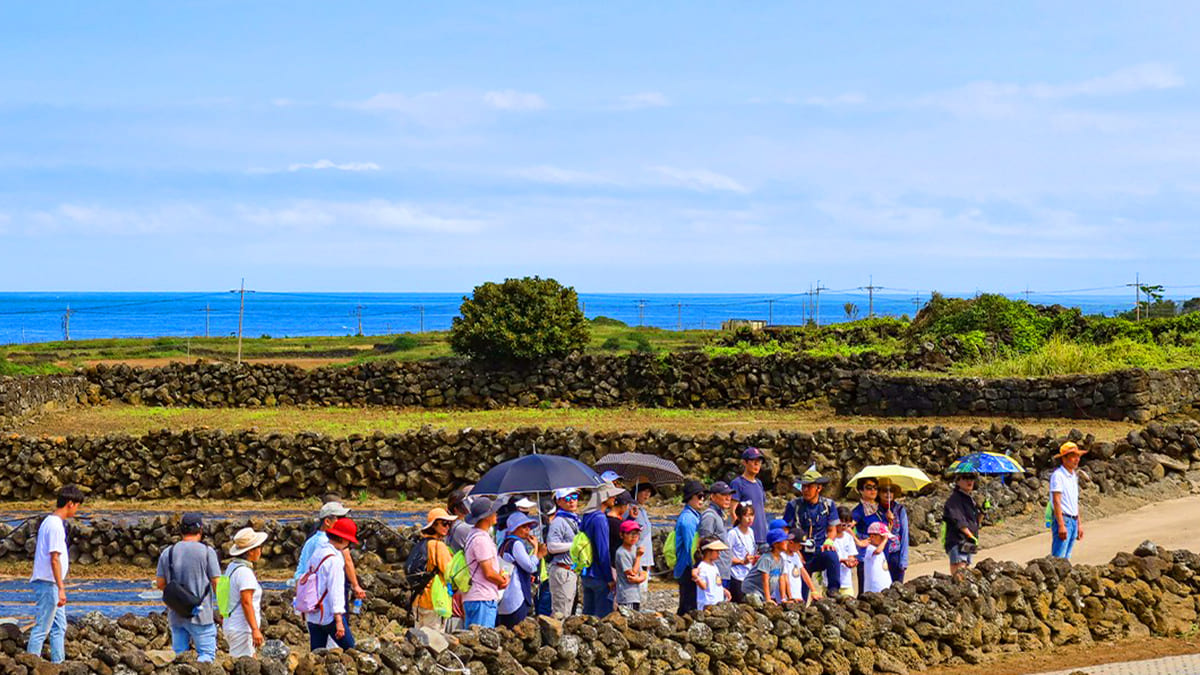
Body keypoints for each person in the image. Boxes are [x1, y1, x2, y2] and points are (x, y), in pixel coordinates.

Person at [27, 484, 84, 664]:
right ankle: (30, 664)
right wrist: (61, 588)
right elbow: (54, 558)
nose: (77, 510)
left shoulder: (52, 522)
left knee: (59, 626)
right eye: (77, 505)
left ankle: (58, 665)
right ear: (70, 503)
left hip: (51, 583)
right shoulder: (55, 526)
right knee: (42, 628)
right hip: (48, 583)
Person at [155, 513, 221, 662]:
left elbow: (160, 584)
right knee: (206, 655)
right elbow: (217, 583)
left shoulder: (168, 553)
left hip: (176, 614)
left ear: (181, 530)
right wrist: (224, 610)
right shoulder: (207, 552)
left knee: (179, 656)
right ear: (201, 530)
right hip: (201, 615)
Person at [782, 466, 842, 598]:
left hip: (819, 549)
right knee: (800, 594)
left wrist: (829, 540)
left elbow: (832, 530)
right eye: (803, 487)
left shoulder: (828, 505)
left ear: (818, 488)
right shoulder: (793, 505)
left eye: (809, 487)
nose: (805, 490)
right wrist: (795, 550)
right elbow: (785, 530)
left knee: (832, 555)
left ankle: (833, 590)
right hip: (800, 552)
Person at [292, 502, 367, 606]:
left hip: (307, 590)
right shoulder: (334, 542)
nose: (344, 521)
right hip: (324, 592)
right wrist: (356, 585)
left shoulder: (312, 539)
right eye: (340, 518)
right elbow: (347, 561)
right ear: (327, 521)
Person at [301, 517, 358, 650]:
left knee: (316, 655)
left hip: (313, 614)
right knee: (352, 651)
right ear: (343, 539)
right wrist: (339, 620)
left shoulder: (318, 552)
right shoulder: (334, 560)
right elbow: (335, 591)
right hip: (329, 615)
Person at [462, 497, 510, 629]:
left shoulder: (473, 535)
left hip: (475, 596)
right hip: (482, 597)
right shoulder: (481, 539)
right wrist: (502, 580)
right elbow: (488, 572)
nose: (496, 514)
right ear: (487, 516)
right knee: (481, 641)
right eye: (493, 512)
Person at [223, 527, 268, 658]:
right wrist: (255, 629)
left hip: (232, 624)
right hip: (242, 628)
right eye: (259, 547)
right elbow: (246, 602)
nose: (260, 550)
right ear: (251, 551)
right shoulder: (245, 573)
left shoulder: (232, 567)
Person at [580, 484, 622, 617]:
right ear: (604, 497)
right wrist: (609, 578)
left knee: (588, 615)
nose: (615, 498)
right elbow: (603, 551)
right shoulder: (600, 518)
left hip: (587, 572)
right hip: (599, 575)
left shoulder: (587, 516)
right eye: (612, 495)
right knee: (603, 618)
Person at [413, 508, 456, 630]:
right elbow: (450, 572)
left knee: (418, 640)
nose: (447, 527)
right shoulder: (438, 546)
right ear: (434, 525)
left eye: (449, 524)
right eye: (444, 523)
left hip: (417, 599)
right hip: (435, 601)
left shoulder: (422, 543)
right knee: (434, 643)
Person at [498, 513, 543, 628]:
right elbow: (530, 566)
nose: (528, 530)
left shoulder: (504, 544)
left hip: (504, 599)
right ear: (515, 529)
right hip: (516, 596)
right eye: (524, 527)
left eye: (529, 527)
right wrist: (537, 550)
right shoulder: (516, 544)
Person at [545, 488, 581, 618]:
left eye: (574, 497)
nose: (571, 501)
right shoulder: (558, 521)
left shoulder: (574, 519)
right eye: (567, 498)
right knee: (561, 612)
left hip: (570, 570)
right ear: (559, 502)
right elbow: (552, 546)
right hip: (562, 570)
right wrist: (574, 545)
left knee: (568, 609)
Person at [673, 480, 706, 615]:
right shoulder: (688, 519)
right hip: (687, 567)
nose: (702, 499)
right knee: (688, 606)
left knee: (688, 603)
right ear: (690, 497)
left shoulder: (693, 516)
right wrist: (694, 568)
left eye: (703, 496)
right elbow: (689, 547)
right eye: (699, 496)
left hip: (687, 567)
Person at [1050, 442, 1087, 560]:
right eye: (1073, 456)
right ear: (1064, 459)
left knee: (1067, 556)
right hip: (1064, 519)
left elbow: (1074, 502)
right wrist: (1061, 525)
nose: (1077, 459)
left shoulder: (1073, 476)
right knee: (1059, 558)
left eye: (1078, 456)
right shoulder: (1058, 475)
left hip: (1073, 519)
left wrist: (1079, 524)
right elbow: (1056, 501)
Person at [698, 481, 734, 599]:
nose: (728, 498)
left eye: (729, 494)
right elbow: (704, 542)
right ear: (713, 496)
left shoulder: (719, 515)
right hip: (715, 569)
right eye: (724, 495)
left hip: (723, 568)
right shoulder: (709, 515)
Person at [943, 472, 982, 577]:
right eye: (965, 478)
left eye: (972, 478)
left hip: (969, 541)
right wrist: (970, 535)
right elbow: (958, 521)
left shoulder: (969, 499)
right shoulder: (954, 500)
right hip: (958, 541)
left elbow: (976, 522)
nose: (969, 481)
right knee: (959, 572)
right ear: (958, 481)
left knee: (967, 570)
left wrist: (983, 511)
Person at [850, 478, 886, 592]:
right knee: (865, 589)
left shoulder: (880, 508)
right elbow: (846, 527)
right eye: (869, 488)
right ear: (861, 490)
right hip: (866, 555)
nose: (873, 491)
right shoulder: (859, 510)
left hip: (882, 552)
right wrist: (858, 541)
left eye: (875, 488)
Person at [730, 447, 769, 548]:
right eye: (753, 461)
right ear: (745, 462)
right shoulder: (738, 483)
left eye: (759, 461)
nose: (757, 464)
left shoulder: (759, 483)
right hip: (748, 537)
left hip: (763, 536)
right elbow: (733, 511)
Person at [742, 528, 788, 604]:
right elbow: (765, 580)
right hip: (752, 589)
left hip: (762, 592)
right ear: (776, 544)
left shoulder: (781, 559)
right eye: (784, 541)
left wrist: (783, 598)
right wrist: (768, 599)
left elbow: (781, 579)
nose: (787, 542)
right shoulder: (766, 558)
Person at [726, 502, 757, 603]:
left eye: (751, 515)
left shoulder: (751, 532)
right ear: (739, 517)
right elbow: (726, 556)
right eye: (746, 515)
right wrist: (741, 561)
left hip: (749, 575)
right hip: (736, 575)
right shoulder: (732, 534)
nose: (750, 519)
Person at [878, 483, 910, 583]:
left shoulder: (899, 510)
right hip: (879, 552)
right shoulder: (873, 509)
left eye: (891, 491)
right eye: (884, 491)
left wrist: (904, 560)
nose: (888, 494)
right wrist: (885, 519)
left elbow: (904, 534)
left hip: (895, 552)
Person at [614, 520, 647, 611]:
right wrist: (639, 557)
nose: (634, 536)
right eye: (630, 533)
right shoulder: (621, 553)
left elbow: (643, 572)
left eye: (636, 534)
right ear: (622, 535)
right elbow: (632, 573)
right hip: (627, 595)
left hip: (635, 594)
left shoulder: (634, 549)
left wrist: (641, 578)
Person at [631, 483, 655, 604]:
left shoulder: (643, 511)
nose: (647, 495)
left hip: (645, 558)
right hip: (636, 557)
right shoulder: (632, 510)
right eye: (644, 491)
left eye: (649, 492)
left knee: (642, 594)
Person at [693, 537, 731, 611]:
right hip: (707, 604)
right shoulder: (702, 567)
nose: (719, 554)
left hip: (717, 602)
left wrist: (723, 590)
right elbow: (704, 586)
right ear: (708, 552)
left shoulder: (714, 565)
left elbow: (714, 582)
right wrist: (696, 577)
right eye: (716, 551)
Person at [831, 507, 860, 597]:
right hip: (831, 580)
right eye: (843, 525)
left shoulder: (848, 537)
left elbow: (851, 555)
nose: (845, 528)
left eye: (848, 526)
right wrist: (842, 560)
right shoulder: (829, 538)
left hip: (846, 580)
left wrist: (852, 562)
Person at [861, 522, 893, 594]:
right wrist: (884, 540)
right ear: (872, 537)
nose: (883, 540)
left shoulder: (880, 549)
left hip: (884, 585)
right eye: (881, 537)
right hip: (874, 587)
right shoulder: (870, 548)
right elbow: (877, 551)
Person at [446, 487, 474, 554]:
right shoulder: (462, 527)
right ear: (456, 509)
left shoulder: (447, 523)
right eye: (464, 507)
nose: (467, 510)